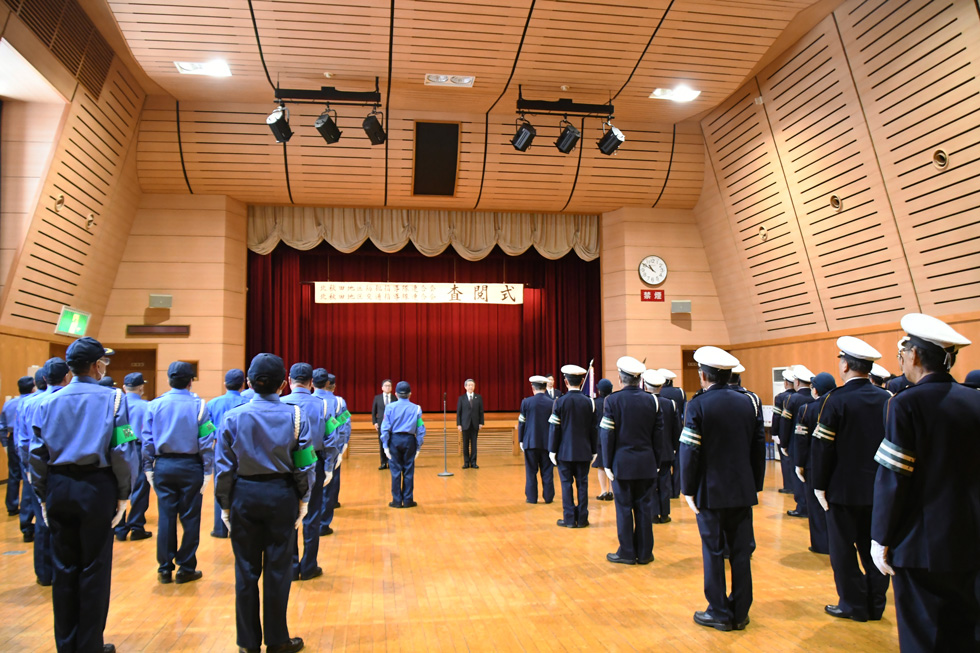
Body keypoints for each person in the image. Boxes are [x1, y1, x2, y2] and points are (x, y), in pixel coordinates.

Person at [870, 314, 980, 652]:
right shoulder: (975, 400)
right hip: (970, 536)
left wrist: (880, 537)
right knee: (965, 633)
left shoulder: (905, 403)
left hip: (920, 543)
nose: (901, 359)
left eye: (903, 352)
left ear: (914, 355)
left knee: (922, 636)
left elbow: (894, 477)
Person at [30, 336, 135, 653]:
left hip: (58, 486)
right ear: (95, 365)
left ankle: (66, 645)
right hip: (96, 487)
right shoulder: (114, 399)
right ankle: (89, 645)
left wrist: (43, 495)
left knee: (64, 568)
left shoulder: (46, 402)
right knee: (94, 568)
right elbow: (122, 449)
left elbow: (37, 454)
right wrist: (124, 493)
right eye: (104, 361)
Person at [216, 353, 313, 653]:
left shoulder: (232, 417)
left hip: (244, 495)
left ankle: (247, 643)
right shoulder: (296, 416)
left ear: (248, 382)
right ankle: (277, 639)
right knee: (278, 570)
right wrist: (304, 498)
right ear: (283, 384)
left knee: (245, 570)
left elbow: (223, 469)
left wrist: (225, 505)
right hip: (281, 494)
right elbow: (305, 463)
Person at [680, 346, 765, 632]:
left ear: (703, 375)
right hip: (742, 489)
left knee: (713, 552)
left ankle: (718, 611)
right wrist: (755, 485)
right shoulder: (750, 402)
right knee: (740, 553)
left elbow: (690, 450)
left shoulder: (698, 405)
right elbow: (758, 447)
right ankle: (740, 611)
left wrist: (687, 488)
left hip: (710, 490)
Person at [810, 337, 891, 622]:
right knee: (874, 549)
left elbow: (823, 447)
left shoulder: (834, 400)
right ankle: (876, 604)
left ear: (845, 365)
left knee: (843, 551)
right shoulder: (887, 399)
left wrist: (819, 486)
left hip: (842, 490)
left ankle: (852, 604)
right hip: (878, 491)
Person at [142, 361, 214, 584]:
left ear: (168, 380)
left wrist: (148, 467)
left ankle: (164, 568)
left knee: (166, 517)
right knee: (190, 518)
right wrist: (208, 469)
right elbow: (206, 440)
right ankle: (186, 568)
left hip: (163, 465)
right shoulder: (200, 406)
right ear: (191, 381)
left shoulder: (154, 405)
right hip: (191, 466)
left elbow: (147, 440)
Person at [599, 356, 664, 565]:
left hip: (622, 464)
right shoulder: (653, 401)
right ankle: (645, 553)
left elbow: (607, 434)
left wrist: (607, 463)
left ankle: (627, 552)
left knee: (624, 509)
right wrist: (657, 463)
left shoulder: (612, 401)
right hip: (647, 463)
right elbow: (658, 436)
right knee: (644, 508)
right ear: (640, 379)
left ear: (620, 379)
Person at [281, 363, 339, 581]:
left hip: (286, 466)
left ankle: (291, 566)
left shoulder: (280, 404)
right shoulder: (323, 406)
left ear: (289, 380)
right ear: (311, 382)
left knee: (289, 517)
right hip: (315, 462)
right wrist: (329, 466)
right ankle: (309, 566)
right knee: (312, 516)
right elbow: (332, 438)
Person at [24, 358, 71, 587]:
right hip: (69, 471)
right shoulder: (66, 401)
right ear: (67, 376)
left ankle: (44, 573)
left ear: (43, 379)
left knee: (43, 520)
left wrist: (28, 470)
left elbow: (24, 441)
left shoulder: (30, 403)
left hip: (36, 466)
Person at [793, 372, 836, 555]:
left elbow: (801, 440)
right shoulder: (837, 405)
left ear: (815, 390)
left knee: (816, 506)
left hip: (813, 464)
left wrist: (799, 464)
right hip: (836, 464)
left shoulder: (806, 409)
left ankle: (820, 544)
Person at [548, 365, 596, 528]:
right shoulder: (590, 402)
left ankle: (569, 519)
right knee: (583, 485)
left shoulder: (559, 402)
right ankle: (582, 518)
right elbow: (594, 428)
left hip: (564, 451)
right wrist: (594, 450)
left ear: (566, 382)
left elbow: (554, 428)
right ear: (582, 381)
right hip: (584, 451)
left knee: (566, 485)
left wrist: (552, 449)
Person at [207, 369, 250, 538]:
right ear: (243, 385)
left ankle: (220, 529)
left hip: (220, 450)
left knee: (221, 486)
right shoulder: (248, 403)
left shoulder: (212, 404)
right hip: (244, 451)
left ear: (224, 384)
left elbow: (207, 429)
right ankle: (240, 527)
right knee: (242, 488)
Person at [114, 373, 153, 542]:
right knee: (140, 488)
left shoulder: (116, 404)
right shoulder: (147, 406)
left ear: (124, 388)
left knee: (119, 487)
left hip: (118, 448)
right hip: (139, 448)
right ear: (141, 388)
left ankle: (119, 528)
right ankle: (136, 526)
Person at [315, 370, 350, 536]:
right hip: (332, 448)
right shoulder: (339, 402)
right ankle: (323, 524)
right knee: (330, 485)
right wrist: (342, 446)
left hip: (309, 451)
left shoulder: (308, 400)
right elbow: (344, 423)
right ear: (332, 386)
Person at [381, 381, 425, 508]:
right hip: (409, 440)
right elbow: (421, 429)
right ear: (410, 394)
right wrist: (418, 446)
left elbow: (385, 428)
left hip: (394, 440)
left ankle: (396, 501)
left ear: (395, 394)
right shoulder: (416, 408)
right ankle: (408, 500)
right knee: (408, 471)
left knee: (395, 472)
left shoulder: (389, 407)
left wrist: (385, 445)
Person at [14, 369, 46, 541]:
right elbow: (123, 438)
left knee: (31, 494)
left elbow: (22, 437)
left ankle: (27, 527)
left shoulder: (26, 403)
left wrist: (25, 463)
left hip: (33, 456)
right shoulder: (116, 400)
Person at [643, 370, 678, 524]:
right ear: (661, 387)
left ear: (645, 386)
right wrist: (674, 448)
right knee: (665, 483)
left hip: (649, 451)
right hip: (667, 450)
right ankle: (664, 513)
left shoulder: (644, 403)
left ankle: (652, 513)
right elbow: (677, 429)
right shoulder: (671, 404)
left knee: (650, 483)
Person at [782, 365, 816, 518]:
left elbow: (785, 423)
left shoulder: (792, 399)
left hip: (795, 442)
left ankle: (802, 507)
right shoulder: (814, 397)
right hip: (814, 443)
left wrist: (783, 443)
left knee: (798, 476)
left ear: (796, 382)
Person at [518, 376, 556, 504]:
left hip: (530, 442)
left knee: (531, 472)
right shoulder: (552, 403)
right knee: (548, 471)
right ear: (545, 387)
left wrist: (521, 440)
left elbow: (522, 422)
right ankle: (549, 497)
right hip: (547, 443)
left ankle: (531, 497)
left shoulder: (526, 402)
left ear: (532, 388)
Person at [0, 375, 34, 516]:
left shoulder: (9, 404)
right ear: (33, 388)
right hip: (28, 438)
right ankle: (28, 509)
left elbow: (2, 426)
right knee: (28, 475)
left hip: (12, 438)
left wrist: (5, 443)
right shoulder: (32, 402)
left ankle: (12, 505)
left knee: (13, 474)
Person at [657, 368, 685, 498]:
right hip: (677, 429)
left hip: (661, 431)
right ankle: (676, 490)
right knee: (677, 464)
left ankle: (664, 490)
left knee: (663, 466)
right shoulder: (680, 392)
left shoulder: (658, 393)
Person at [773, 368, 797, 495]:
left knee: (785, 460)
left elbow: (776, 417)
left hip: (784, 433)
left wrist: (774, 433)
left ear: (786, 383)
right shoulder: (802, 396)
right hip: (798, 434)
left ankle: (788, 485)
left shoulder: (781, 397)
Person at [592, 379, 614, 501]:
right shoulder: (614, 400)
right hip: (613, 436)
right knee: (611, 463)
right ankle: (611, 491)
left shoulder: (595, 403)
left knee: (601, 465)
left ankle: (603, 491)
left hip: (599, 437)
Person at [456, 378, 484, 469]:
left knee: (474, 444)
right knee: (465, 445)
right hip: (465, 424)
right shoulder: (461, 398)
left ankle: (474, 462)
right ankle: (466, 462)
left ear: (474, 387)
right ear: (465, 387)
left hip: (475, 424)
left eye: (472, 385)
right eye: (469, 385)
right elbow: (459, 412)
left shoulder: (478, 397)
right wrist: (459, 424)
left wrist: (481, 423)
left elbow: (481, 411)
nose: (470, 387)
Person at [371, 379, 394, 469]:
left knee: (391, 443)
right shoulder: (377, 398)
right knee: (382, 443)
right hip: (381, 423)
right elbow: (374, 412)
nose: (387, 387)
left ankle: (391, 462)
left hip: (392, 424)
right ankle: (383, 463)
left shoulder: (394, 398)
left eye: (389, 386)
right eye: (386, 386)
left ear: (391, 388)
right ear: (382, 387)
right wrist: (375, 422)